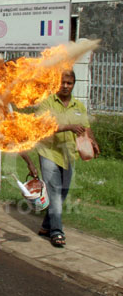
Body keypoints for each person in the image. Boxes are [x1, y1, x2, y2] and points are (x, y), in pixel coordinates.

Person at [32, 70, 99, 247]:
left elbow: (85, 126)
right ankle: (56, 232)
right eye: (62, 82)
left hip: (68, 153)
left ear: (73, 84)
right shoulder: (47, 103)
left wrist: (92, 142)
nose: (65, 86)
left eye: (69, 83)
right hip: (48, 152)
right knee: (54, 191)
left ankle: (47, 225)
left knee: (63, 192)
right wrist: (67, 126)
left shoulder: (78, 106)